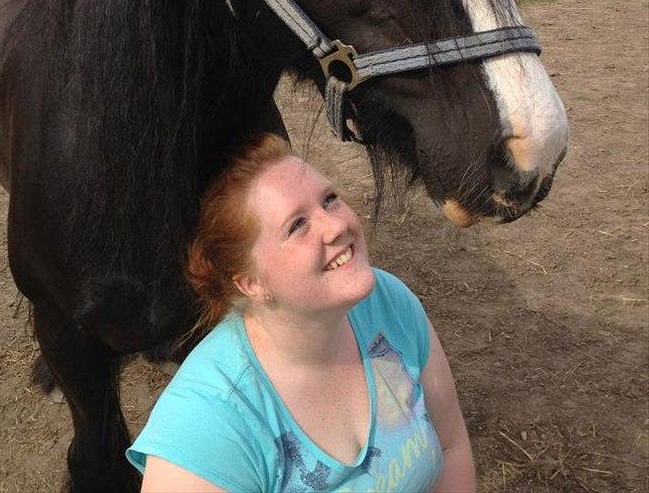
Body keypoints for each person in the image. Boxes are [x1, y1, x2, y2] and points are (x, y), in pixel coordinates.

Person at [127, 133, 476, 492]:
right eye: (297, 225)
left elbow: (451, 446)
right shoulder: (206, 429)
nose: (337, 225)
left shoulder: (387, 304)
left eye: (329, 200)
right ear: (250, 283)